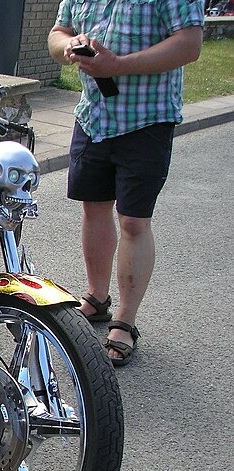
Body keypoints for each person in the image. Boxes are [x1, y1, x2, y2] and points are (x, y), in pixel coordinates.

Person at [48, 1, 204, 366]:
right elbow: (58, 32)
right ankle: (97, 298)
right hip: (93, 118)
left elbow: (189, 44)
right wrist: (69, 49)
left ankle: (125, 321)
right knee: (94, 208)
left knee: (133, 220)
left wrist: (117, 66)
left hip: (146, 121)